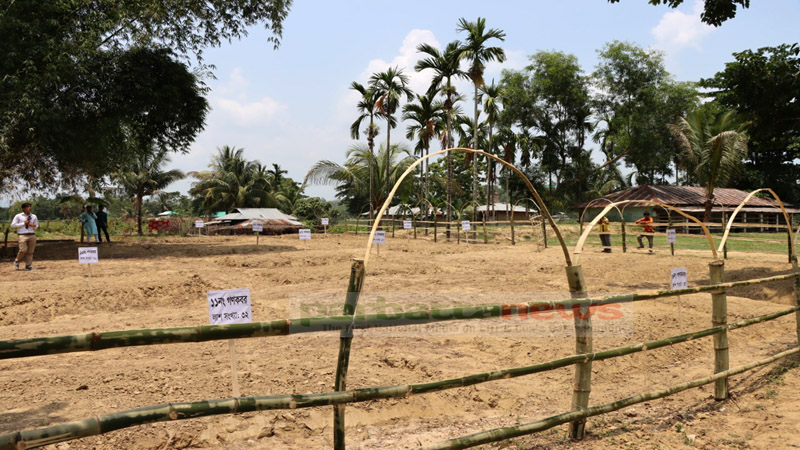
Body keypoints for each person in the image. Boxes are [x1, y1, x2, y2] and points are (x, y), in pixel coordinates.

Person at [10, 202, 39, 270]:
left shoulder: (34, 216)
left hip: (32, 234)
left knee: (30, 251)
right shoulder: (18, 216)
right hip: (22, 235)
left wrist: (34, 226)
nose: (30, 208)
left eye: (30, 207)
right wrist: (23, 223)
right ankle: (17, 261)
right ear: (24, 208)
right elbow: (13, 225)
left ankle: (28, 265)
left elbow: (37, 226)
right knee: (23, 250)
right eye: (28, 207)